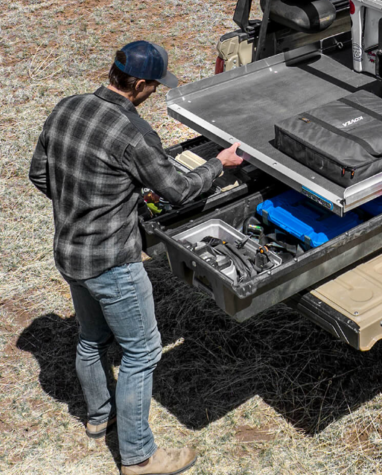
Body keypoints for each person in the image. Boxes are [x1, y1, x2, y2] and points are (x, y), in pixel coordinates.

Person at [28, 41, 243, 475]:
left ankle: (98, 417)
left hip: (70, 253)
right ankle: (139, 458)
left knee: (92, 339)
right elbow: (178, 190)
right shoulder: (133, 133)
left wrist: (86, 199)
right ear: (141, 85)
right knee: (141, 353)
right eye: (155, 87)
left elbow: (39, 173)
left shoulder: (67, 108)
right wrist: (218, 165)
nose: (155, 93)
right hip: (113, 265)